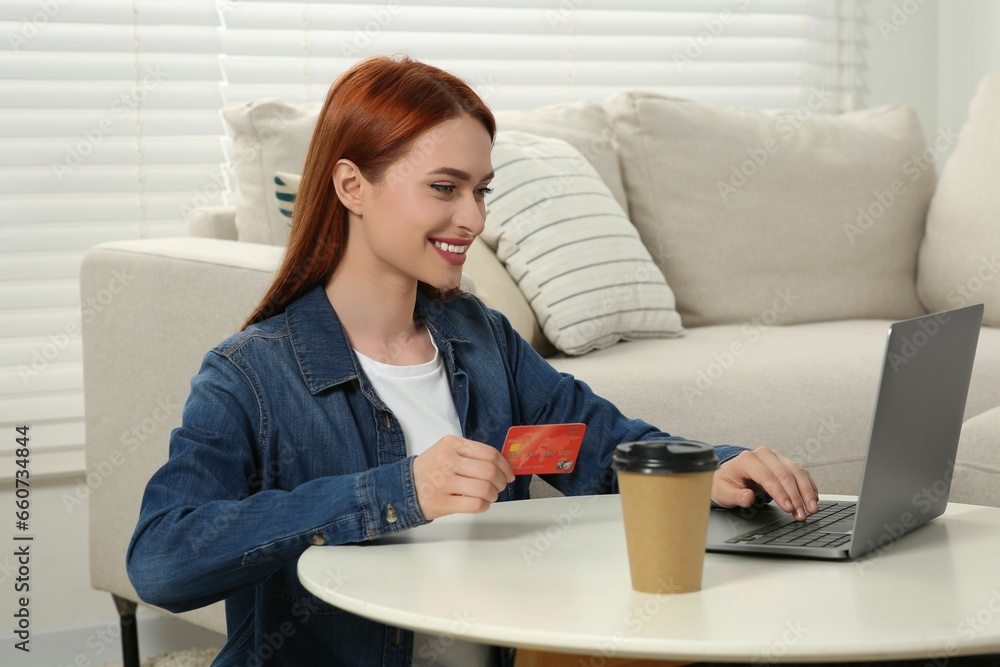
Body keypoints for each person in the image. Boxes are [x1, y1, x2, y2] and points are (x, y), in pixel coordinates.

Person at [126, 54, 819, 667]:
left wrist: (710, 467)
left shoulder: (481, 339)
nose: (475, 219)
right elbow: (162, 559)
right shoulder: (250, 375)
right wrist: (398, 490)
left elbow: (599, 445)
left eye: (481, 189)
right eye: (444, 187)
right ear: (351, 186)